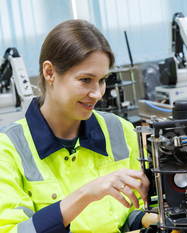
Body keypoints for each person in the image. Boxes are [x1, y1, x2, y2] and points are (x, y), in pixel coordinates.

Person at [0, 20, 157, 232]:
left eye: (102, 80)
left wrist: (143, 219)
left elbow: (129, 211)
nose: (98, 94)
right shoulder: (8, 149)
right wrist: (86, 194)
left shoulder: (120, 130)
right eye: (85, 80)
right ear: (49, 73)